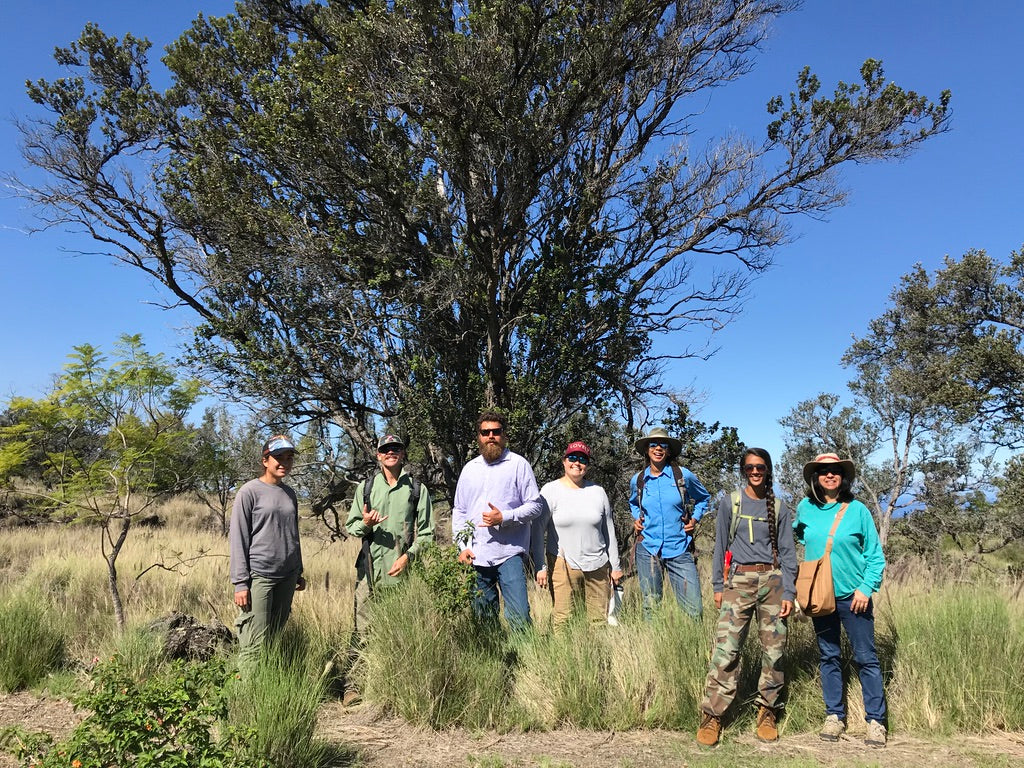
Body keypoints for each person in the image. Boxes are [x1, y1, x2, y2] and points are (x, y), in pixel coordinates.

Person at [697, 448, 798, 746]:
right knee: (726, 651)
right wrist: (717, 585)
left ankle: (767, 710)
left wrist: (789, 590)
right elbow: (718, 547)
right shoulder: (731, 502)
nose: (756, 472)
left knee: (775, 651)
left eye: (761, 467)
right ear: (743, 470)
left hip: (773, 582)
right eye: (750, 467)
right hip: (738, 581)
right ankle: (713, 715)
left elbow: (789, 554)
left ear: (768, 470)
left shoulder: (779, 508)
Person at [794, 452, 887, 748]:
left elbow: (875, 555)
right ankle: (834, 716)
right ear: (815, 478)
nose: (830, 475)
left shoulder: (858, 510)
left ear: (843, 476)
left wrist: (866, 587)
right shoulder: (805, 508)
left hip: (853, 596)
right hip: (820, 598)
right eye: (823, 471)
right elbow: (796, 536)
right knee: (829, 656)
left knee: (866, 659)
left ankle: (875, 722)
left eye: (835, 471)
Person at [342, 433, 434, 704]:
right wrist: (367, 524)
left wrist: (409, 557)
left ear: (403, 454)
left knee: (400, 628)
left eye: (396, 448)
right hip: (370, 572)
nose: (391, 452)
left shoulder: (417, 489)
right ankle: (353, 686)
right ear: (378, 455)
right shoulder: (366, 488)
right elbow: (351, 526)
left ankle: (394, 684)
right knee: (363, 630)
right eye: (386, 449)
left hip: (403, 573)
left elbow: (427, 534)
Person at [452, 410, 543, 630]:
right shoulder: (469, 470)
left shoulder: (518, 465)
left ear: (504, 435)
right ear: (479, 437)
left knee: (519, 616)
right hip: (477, 556)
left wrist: (505, 517)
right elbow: (459, 511)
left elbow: (536, 506)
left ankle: (524, 660)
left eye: (496, 431)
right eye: (485, 432)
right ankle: (493, 659)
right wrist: (462, 547)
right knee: (483, 619)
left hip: (509, 554)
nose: (491, 436)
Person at [229, 434, 306, 664]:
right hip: (260, 576)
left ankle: (267, 690)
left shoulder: (290, 494)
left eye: (289, 457)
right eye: (278, 457)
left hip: (288, 575)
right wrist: (241, 583)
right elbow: (238, 538)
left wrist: (298, 570)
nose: (284, 462)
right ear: (265, 461)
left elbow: (293, 533)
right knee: (253, 643)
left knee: (274, 639)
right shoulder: (249, 492)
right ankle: (244, 697)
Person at [531, 440, 623, 628]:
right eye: (572, 457)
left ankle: (597, 655)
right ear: (564, 461)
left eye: (582, 459)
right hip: (562, 563)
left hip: (598, 565)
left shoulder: (598, 492)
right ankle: (562, 656)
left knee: (598, 620)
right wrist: (540, 565)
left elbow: (609, 531)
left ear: (587, 466)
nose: (577, 463)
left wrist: (615, 566)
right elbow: (538, 530)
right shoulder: (550, 490)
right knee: (563, 618)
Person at [629, 427, 710, 619]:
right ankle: (654, 647)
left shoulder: (682, 475)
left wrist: (695, 519)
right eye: (653, 444)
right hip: (648, 547)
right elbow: (634, 503)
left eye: (663, 445)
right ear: (647, 450)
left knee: (693, 608)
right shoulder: (639, 480)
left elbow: (703, 498)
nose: (658, 448)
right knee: (651, 605)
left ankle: (693, 646)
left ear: (668, 450)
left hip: (679, 547)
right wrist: (636, 520)